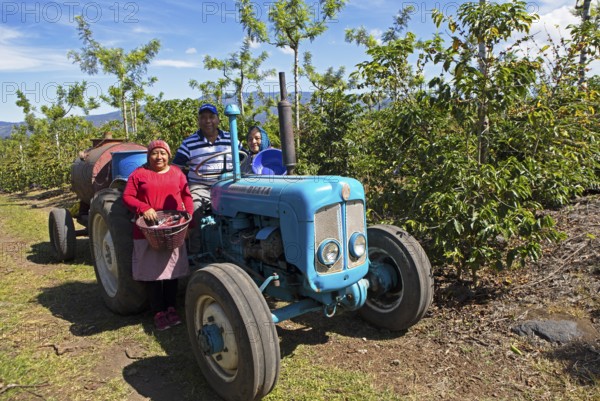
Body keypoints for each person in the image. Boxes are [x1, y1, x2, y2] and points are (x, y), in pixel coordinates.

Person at [122, 139, 194, 331]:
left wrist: (189, 221)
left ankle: (171, 308)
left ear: (169, 155)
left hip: (173, 229)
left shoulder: (177, 174)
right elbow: (127, 197)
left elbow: (187, 197)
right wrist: (144, 207)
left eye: (163, 153)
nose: (159, 156)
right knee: (153, 273)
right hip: (148, 230)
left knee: (171, 272)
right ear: (149, 155)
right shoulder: (139, 174)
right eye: (155, 153)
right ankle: (158, 312)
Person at [172, 103, 242, 255]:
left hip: (228, 185)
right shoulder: (189, 143)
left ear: (218, 120)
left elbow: (245, 159)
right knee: (195, 207)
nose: (207, 121)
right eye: (203, 118)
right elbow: (176, 167)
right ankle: (196, 251)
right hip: (200, 185)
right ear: (198, 121)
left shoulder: (232, 139)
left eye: (211, 117)